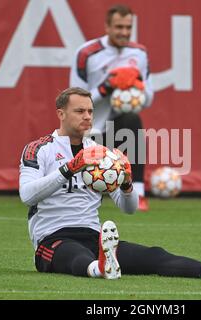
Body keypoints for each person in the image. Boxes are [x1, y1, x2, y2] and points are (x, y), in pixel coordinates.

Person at [19, 87, 201, 280]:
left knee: (154, 256)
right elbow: (27, 195)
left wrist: (126, 183)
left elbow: (129, 208)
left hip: (94, 236)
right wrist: (70, 168)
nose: (87, 116)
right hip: (52, 238)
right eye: (79, 111)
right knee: (75, 256)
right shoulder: (39, 148)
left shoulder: (102, 153)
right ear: (61, 114)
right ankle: (99, 268)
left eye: (90, 111)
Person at [69, 4, 153, 211]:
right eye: (119, 27)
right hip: (88, 131)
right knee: (80, 192)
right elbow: (73, 101)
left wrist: (136, 88)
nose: (124, 32)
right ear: (107, 26)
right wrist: (107, 87)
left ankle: (139, 193)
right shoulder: (87, 53)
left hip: (116, 129)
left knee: (132, 118)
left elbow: (149, 98)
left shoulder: (139, 53)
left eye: (128, 27)